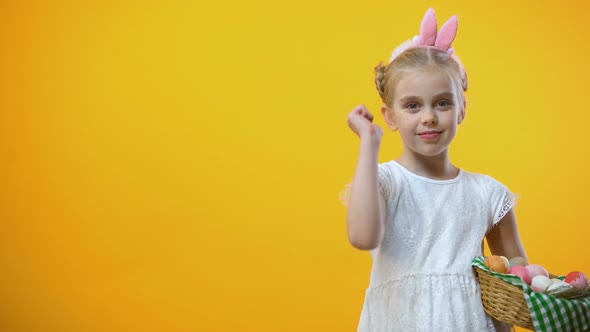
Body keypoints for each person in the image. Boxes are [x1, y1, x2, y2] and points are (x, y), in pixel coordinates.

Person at [342, 7, 528, 332]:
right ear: (390, 116)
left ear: (461, 110)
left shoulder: (488, 194)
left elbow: (518, 278)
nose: (429, 117)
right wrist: (369, 143)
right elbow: (362, 236)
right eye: (413, 105)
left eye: (442, 103)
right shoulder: (385, 182)